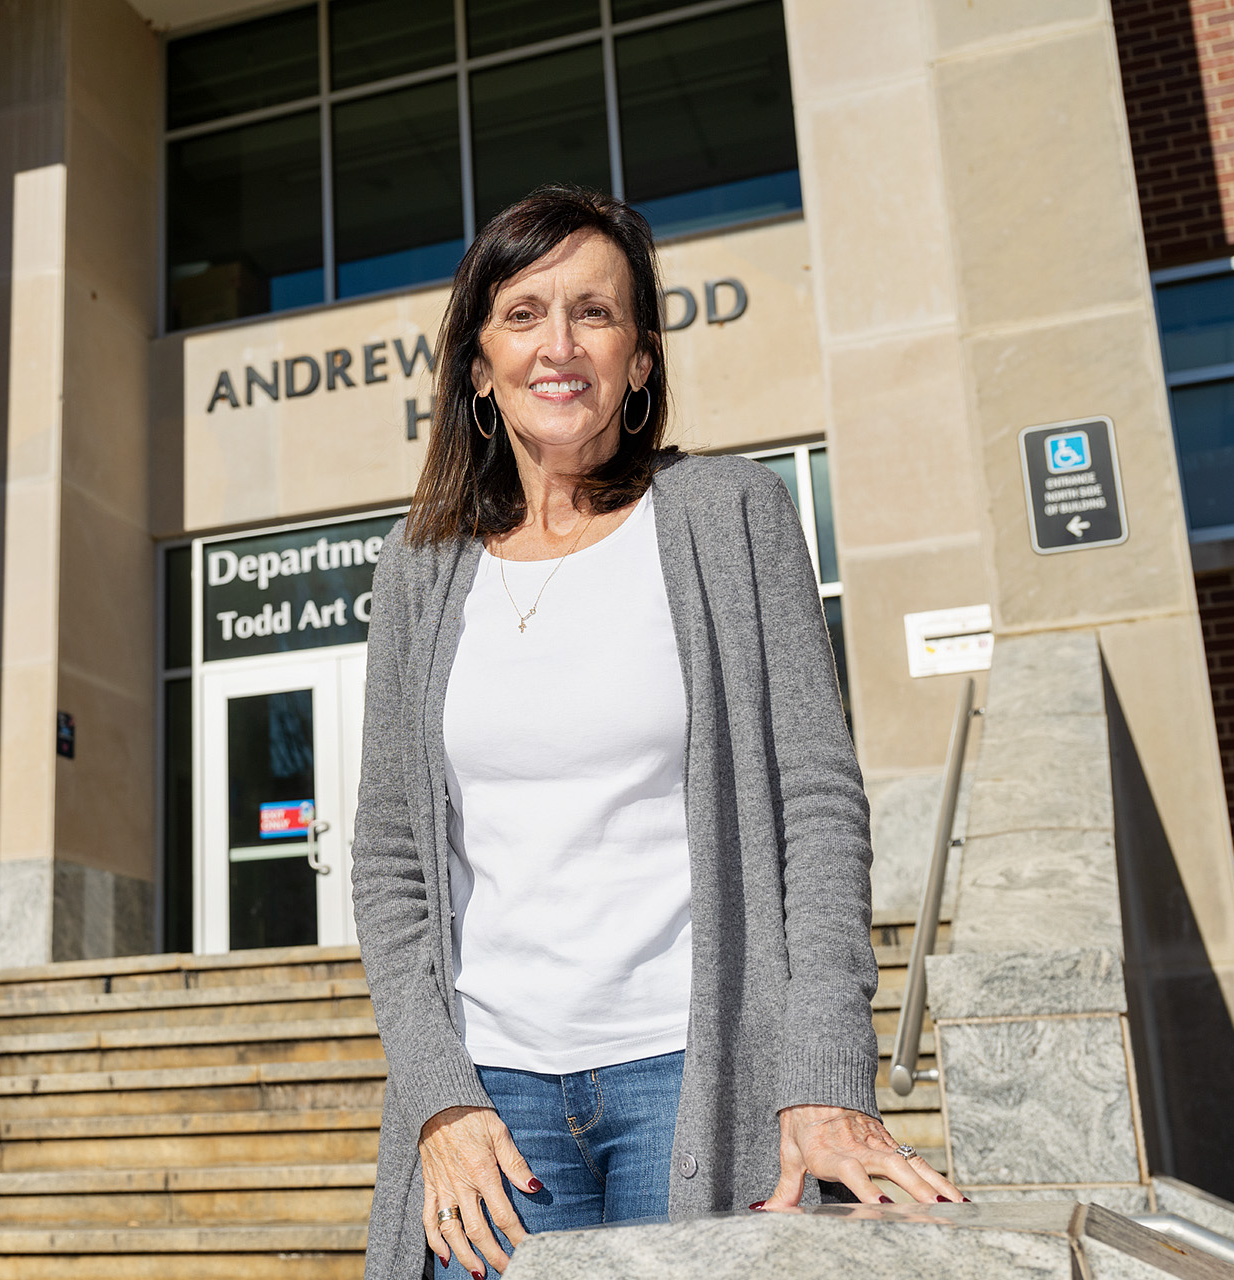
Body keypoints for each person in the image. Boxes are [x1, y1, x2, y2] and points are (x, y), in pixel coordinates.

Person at [349, 186, 965, 1280]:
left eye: (596, 312)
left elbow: (816, 807)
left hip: (694, 1068)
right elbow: (393, 855)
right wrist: (437, 1093)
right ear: (478, 364)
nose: (560, 343)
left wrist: (825, 1072)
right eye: (523, 313)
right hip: (488, 1094)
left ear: (640, 358)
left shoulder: (731, 515)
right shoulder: (419, 568)